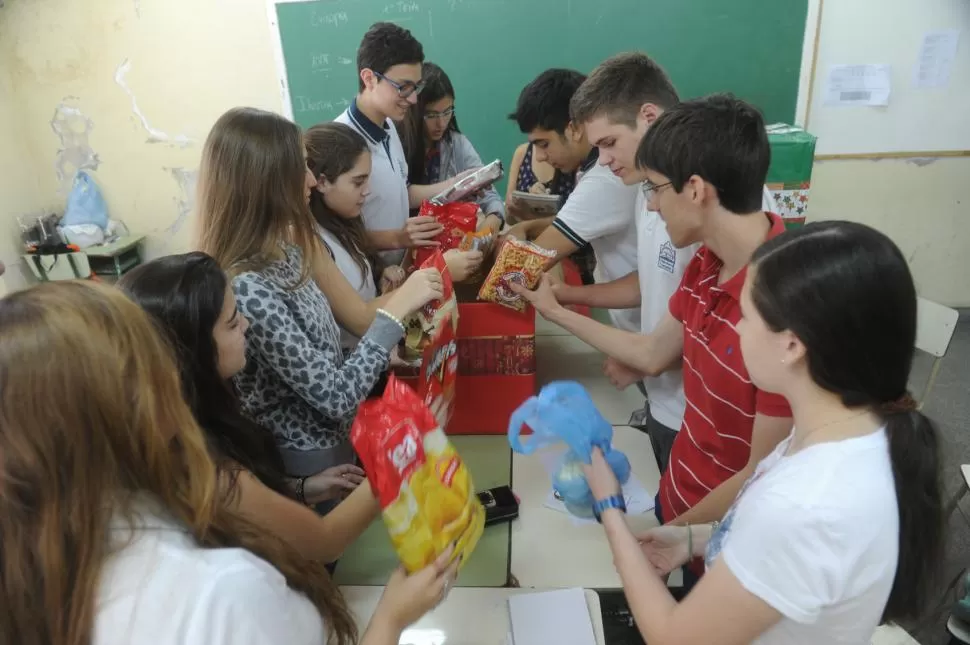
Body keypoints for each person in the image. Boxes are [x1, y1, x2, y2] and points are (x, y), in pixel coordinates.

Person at [0, 280, 460, 645]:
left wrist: (301, 488)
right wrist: (391, 618)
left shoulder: (42, 563)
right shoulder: (220, 592)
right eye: (153, 361)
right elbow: (320, 539)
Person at [581, 220, 944, 644]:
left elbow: (672, 636)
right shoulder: (841, 430)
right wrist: (695, 538)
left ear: (792, 345)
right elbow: (783, 554)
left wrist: (609, 508)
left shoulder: (802, 505)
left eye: (747, 315)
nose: (737, 328)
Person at [515, 95, 794, 591]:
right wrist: (556, 310)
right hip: (677, 504)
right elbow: (652, 353)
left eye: (655, 189)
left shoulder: (787, 305)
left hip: (723, 549)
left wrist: (668, 536)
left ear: (696, 189)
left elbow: (763, 476)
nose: (650, 204)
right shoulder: (706, 264)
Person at [550, 52, 777, 474]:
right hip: (665, 400)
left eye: (609, 143)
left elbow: (716, 332)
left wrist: (645, 358)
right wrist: (567, 295)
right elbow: (657, 279)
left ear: (649, 117)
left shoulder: (715, 212)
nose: (603, 159)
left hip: (706, 419)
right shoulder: (650, 189)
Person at [196, 106, 442, 485]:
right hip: (305, 461)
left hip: (338, 447)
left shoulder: (287, 250)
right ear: (269, 182)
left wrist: (385, 355)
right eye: (302, 168)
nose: (312, 180)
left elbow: (323, 359)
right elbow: (335, 396)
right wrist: (398, 310)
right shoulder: (247, 286)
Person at [121, 252, 384, 565]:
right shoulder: (202, 467)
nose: (246, 325)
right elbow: (324, 542)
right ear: (194, 349)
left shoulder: (207, 410)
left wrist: (302, 488)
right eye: (232, 323)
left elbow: (248, 503)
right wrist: (394, 464)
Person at [304, 122, 482, 351]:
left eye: (367, 180)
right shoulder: (312, 240)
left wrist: (383, 275)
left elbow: (363, 290)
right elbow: (362, 320)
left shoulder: (343, 224)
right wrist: (439, 271)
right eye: (358, 182)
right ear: (321, 182)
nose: (367, 191)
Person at [334, 22, 469, 265]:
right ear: (369, 79)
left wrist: (457, 184)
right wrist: (396, 238)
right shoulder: (340, 141)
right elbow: (334, 235)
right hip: (367, 276)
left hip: (398, 271)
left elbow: (402, 192)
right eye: (403, 87)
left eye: (416, 87)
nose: (414, 98)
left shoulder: (389, 127)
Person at [506, 68, 636, 296]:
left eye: (544, 144)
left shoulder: (603, 179)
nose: (539, 156)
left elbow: (524, 267)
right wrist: (527, 226)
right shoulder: (593, 168)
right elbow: (577, 218)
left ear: (574, 129)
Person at [399, 61, 505, 234]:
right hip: (403, 239)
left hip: (443, 239)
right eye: (431, 115)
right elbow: (401, 196)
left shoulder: (456, 144)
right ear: (414, 111)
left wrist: (493, 220)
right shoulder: (395, 143)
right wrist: (454, 185)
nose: (441, 123)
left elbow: (491, 197)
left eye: (447, 112)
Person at [505, 140, 576, 223]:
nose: (539, 157)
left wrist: (536, 214)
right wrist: (527, 203)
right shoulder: (522, 153)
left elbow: (578, 218)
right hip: (526, 229)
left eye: (545, 144)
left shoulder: (574, 158)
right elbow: (508, 217)